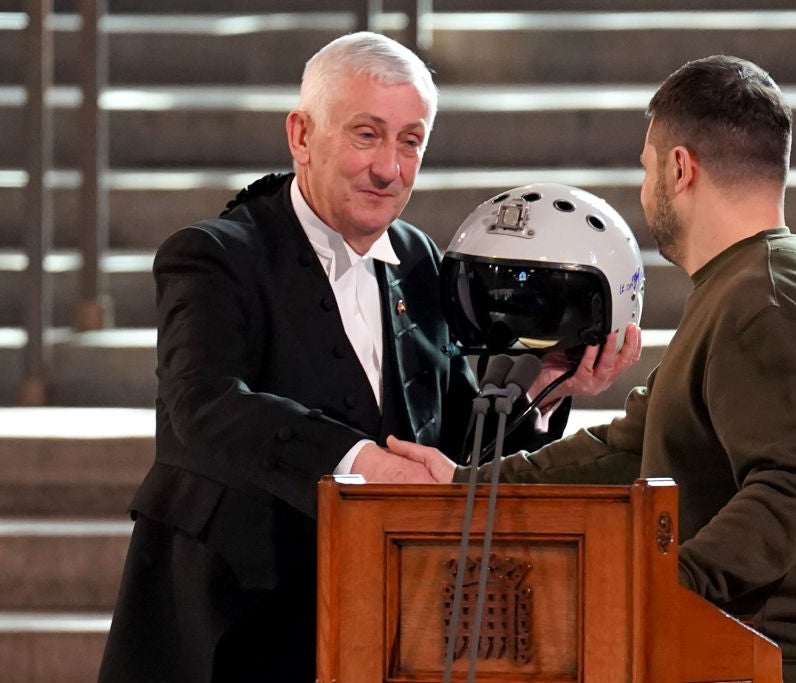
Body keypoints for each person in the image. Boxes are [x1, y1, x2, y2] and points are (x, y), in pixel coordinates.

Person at [98, 32, 640, 683]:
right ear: (301, 134)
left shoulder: (420, 260)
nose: (389, 167)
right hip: (231, 629)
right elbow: (204, 404)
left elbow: (455, 446)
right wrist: (360, 461)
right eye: (366, 134)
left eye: (410, 140)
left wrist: (542, 387)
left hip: (385, 624)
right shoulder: (212, 255)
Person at [393, 55, 796, 683]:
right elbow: (627, 446)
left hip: (774, 662)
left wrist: (663, 584)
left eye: (648, 168)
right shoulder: (743, 286)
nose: (646, 190)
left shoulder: (768, 298)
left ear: (681, 168)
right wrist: (471, 486)